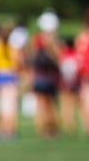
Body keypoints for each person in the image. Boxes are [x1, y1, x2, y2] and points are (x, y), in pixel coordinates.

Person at [27, 10, 62, 138]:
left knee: (48, 103)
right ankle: (46, 129)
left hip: (46, 76)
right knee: (45, 103)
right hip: (44, 76)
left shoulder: (42, 40)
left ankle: (50, 128)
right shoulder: (40, 40)